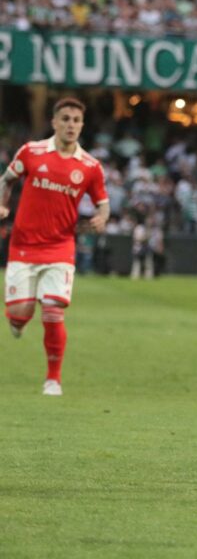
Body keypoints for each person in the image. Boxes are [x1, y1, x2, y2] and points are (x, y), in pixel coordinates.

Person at [0, 97, 109, 396]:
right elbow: (6, 180)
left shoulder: (90, 166)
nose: (70, 125)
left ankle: (53, 379)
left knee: (52, 312)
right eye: (65, 119)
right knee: (19, 315)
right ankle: (18, 321)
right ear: (54, 122)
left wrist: (102, 218)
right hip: (23, 246)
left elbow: (103, 202)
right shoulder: (31, 152)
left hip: (60, 247)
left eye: (76, 120)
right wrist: (2, 204)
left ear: (82, 125)